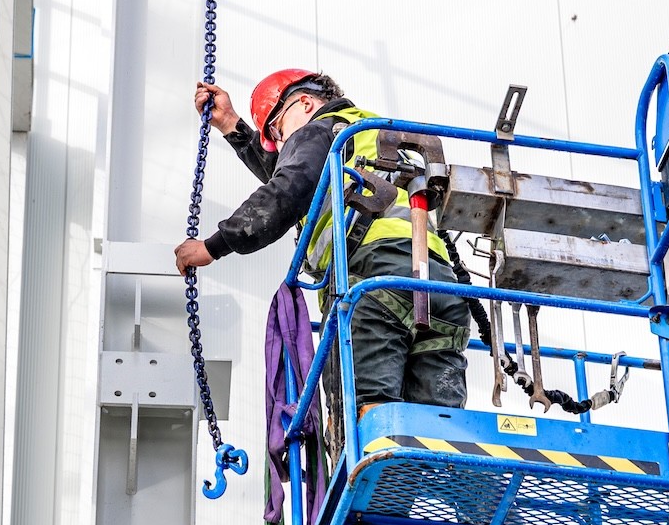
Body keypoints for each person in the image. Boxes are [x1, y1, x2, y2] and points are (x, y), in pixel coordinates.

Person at [173, 69, 471, 417]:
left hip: (374, 283)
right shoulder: (372, 135)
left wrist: (214, 246)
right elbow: (294, 171)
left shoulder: (320, 130)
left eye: (278, 131)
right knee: (439, 425)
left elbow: (289, 188)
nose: (280, 144)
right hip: (439, 287)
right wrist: (232, 126)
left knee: (367, 418)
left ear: (305, 103)